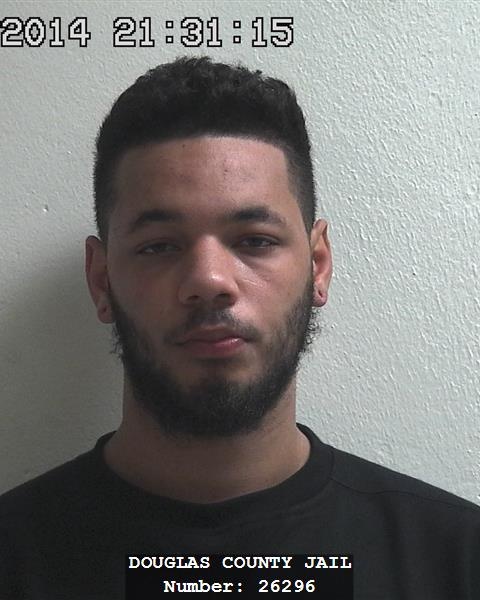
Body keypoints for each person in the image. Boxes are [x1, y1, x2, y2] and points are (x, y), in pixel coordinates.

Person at [0, 55, 479, 600]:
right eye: (159, 246)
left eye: (255, 240)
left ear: (318, 266)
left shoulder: (457, 562)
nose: (209, 280)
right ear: (101, 279)